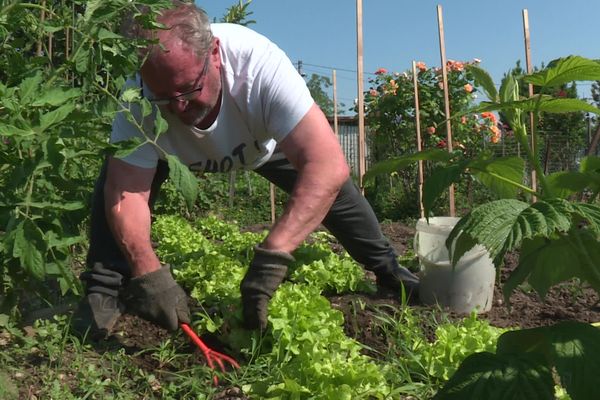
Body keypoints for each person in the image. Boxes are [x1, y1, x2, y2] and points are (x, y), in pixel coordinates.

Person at [72, 0, 419, 339]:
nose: (177, 107)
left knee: (335, 193)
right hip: (168, 154)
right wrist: (148, 271)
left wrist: (273, 255)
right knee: (113, 186)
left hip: (259, 146)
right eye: (164, 96)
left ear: (214, 54)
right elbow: (127, 193)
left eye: (189, 89)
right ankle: (103, 292)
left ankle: (389, 272)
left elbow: (327, 165)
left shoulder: (259, 65)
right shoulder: (139, 94)